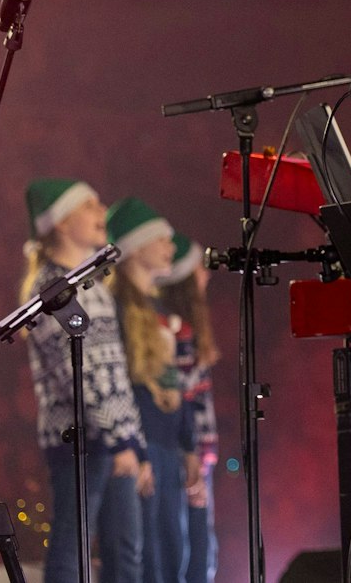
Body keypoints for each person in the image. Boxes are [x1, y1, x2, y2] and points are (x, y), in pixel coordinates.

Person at [20, 178, 146, 583]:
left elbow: (114, 374)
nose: (101, 211)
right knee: (73, 549)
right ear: (60, 223)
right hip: (81, 441)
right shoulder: (51, 291)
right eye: (89, 205)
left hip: (114, 441)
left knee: (125, 551)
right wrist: (119, 439)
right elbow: (82, 374)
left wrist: (132, 442)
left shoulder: (95, 287)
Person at [106, 199, 188, 583]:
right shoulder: (116, 306)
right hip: (143, 446)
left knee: (173, 554)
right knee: (144, 556)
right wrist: (138, 451)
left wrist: (185, 446)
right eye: (162, 240)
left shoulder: (153, 306)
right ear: (137, 247)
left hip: (165, 446)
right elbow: (123, 385)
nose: (171, 248)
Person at [154, 233, 220, 583]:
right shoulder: (176, 331)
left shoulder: (190, 330)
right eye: (199, 269)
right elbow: (184, 401)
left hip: (196, 457)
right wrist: (192, 453)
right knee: (188, 551)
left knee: (198, 549)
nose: (206, 275)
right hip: (185, 458)